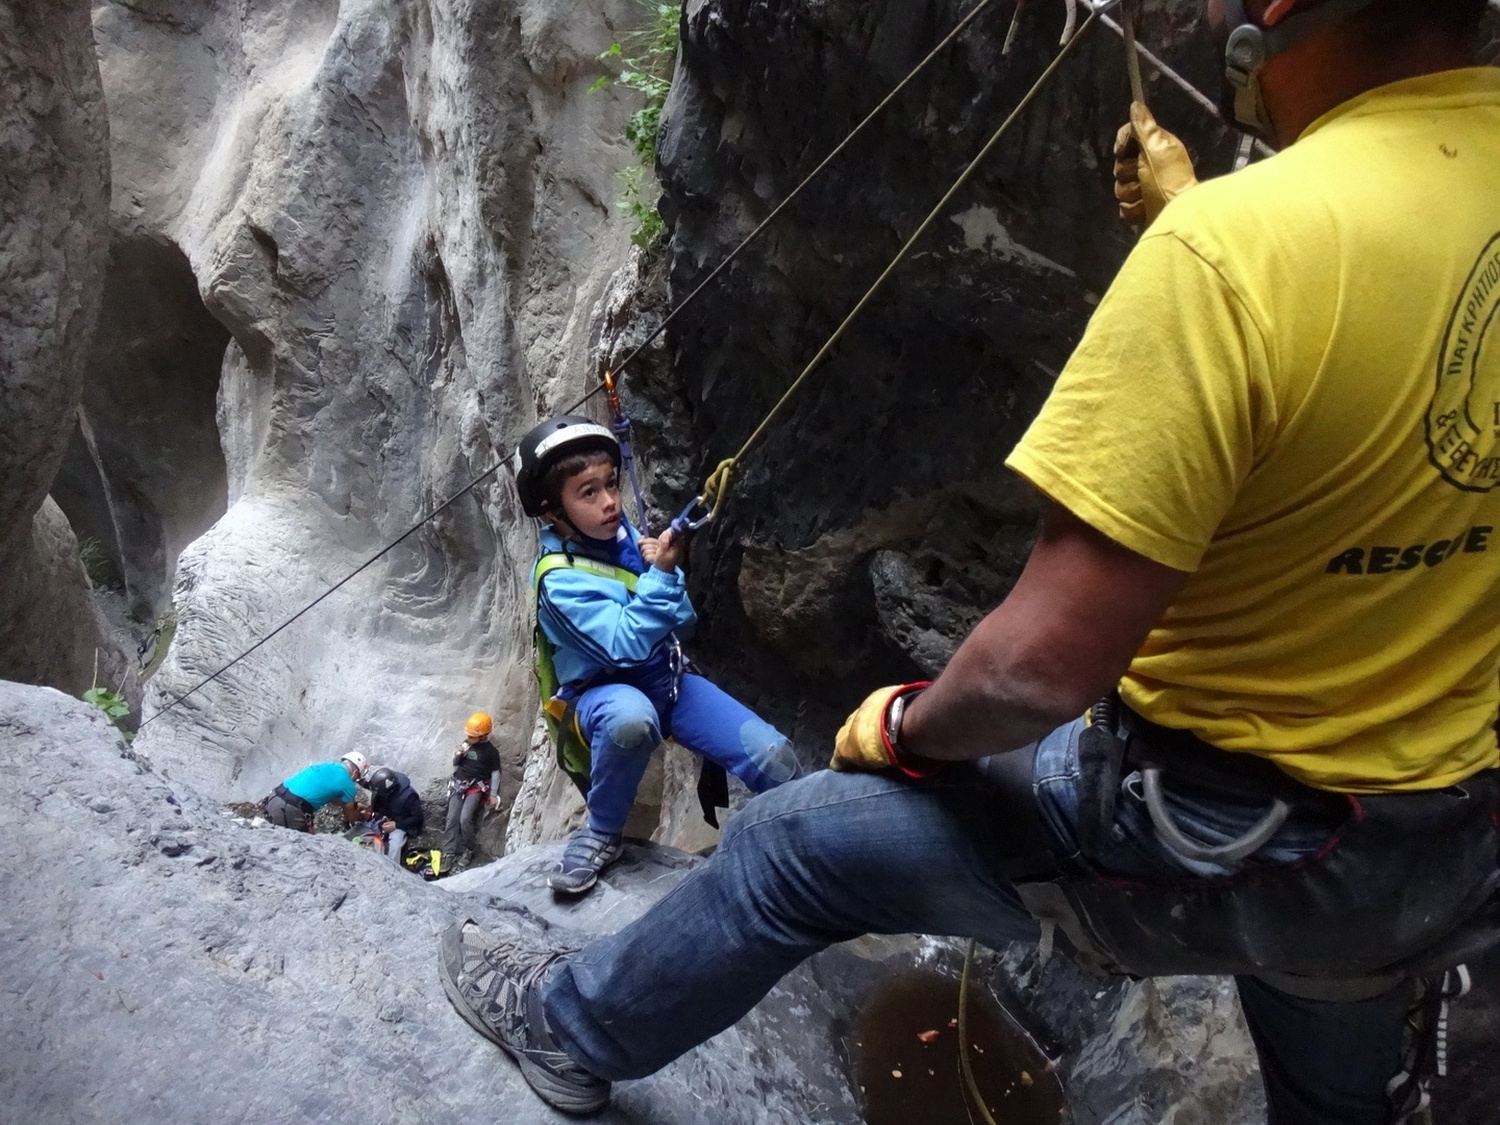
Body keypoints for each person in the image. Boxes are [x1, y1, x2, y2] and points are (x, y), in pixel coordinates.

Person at [437, 0, 1500, 1120]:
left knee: (794, 845)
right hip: (1447, 841)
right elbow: (1393, 346)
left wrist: (903, 727)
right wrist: (1213, 228)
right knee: (1334, 1039)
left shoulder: (1236, 253)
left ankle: (572, 1027)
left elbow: (1034, 675)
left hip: (1225, 829)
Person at [504, 416, 801, 896]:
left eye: (610, 484)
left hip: (669, 681)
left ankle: (814, 826)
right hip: (604, 696)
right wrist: (661, 573)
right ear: (550, 510)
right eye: (588, 493)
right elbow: (623, 646)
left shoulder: (624, 541)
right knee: (631, 718)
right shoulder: (559, 581)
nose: (609, 501)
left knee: (774, 753)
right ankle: (602, 830)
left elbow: (683, 623)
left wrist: (658, 572)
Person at [442, 712, 502, 872]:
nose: (468, 738)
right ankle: (448, 852)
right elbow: (456, 764)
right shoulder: (466, 745)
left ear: (482, 736)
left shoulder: (491, 752)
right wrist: (459, 754)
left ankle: (469, 849)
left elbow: (495, 773)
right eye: (467, 735)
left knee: (465, 819)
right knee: (451, 819)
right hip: (458, 784)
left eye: (472, 736)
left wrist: (493, 795)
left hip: (475, 787)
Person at [260, 752, 368, 833]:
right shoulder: (348, 783)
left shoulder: (325, 765)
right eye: (358, 777)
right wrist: (364, 817)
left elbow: (327, 794)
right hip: (292, 809)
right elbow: (349, 816)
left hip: (274, 797)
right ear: (354, 773)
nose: (356, 781)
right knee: (309, 849)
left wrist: (352, 804)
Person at [364, 766, 425, 866]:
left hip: (401, 824)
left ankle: (392, 868)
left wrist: (396, 825)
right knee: (363, 833)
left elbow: (417, 818)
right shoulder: (381, 791)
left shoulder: (409, 796)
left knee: (395, 846)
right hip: (383, 819)